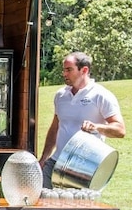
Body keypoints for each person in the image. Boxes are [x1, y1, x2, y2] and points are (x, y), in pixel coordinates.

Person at [38, 52, 125, 188]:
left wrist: (97, 127)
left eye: (69, 70)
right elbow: (55, 128)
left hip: (84, 170)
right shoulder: (61, 95)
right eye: (64, 70)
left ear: (84, 70)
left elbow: (120, 130)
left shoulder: (101, 95)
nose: (64, 74)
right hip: (55, 162)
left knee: (75, 208)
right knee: (42, 204)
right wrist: (44, 158)